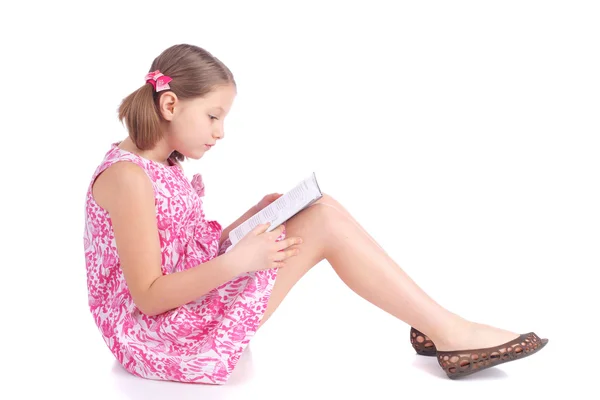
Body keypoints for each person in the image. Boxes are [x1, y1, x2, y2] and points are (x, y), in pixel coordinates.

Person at [83, 43, 548, 385]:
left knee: (319, 207)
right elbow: (148, 296)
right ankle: (448, 331)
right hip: (159, 336)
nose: (220, 132)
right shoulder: (129, 178)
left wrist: (247, 220)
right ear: (169, 105)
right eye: (212, 116)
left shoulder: (161, 165)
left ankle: (439, 325)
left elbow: (177, 250)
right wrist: (238, 261)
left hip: (179, 312)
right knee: (322, 222)